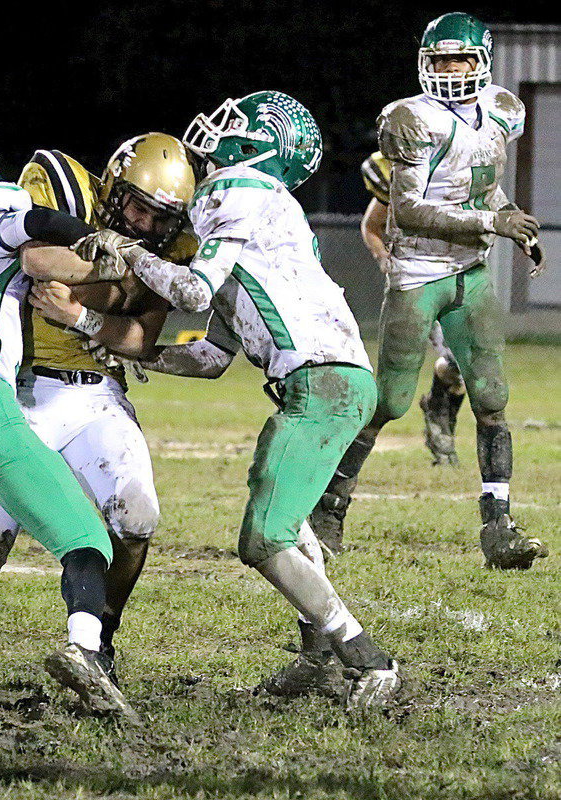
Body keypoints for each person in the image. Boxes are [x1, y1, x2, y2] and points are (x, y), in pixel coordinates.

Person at [67, 91, 402, 709]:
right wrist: (121, 346)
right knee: (289, 521)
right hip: (321, 383)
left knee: (263, 539)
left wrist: (132, 253)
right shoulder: (238, 229)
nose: (220, 128)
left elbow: (191, 291)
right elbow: (211, 356)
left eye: (240, 123)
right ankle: (319, 659)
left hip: (325, 383)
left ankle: (368, 661)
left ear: (262, 146)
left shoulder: (244, 190)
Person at [0, 133, 197, 696]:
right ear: (112, 188)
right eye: (138, 209)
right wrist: (125, 278)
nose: (148, 227)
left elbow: (140, 335)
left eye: (162, 220)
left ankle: (96, 647)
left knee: (137, 519)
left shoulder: (172, 245)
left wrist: (85, 313)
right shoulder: (62, 182)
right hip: (24, 392)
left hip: (97, 395)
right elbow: (37, 264)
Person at [309, 13, 549, 569]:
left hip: (472, 273)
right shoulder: (409, 119)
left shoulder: (500, 114)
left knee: (491, 397)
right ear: (425, 63)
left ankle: (500, 527)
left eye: (460, 59)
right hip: (418, 275)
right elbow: (410, 210)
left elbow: (484, 191)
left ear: (482, 62)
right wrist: (492, 225)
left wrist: (511, 219)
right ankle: (329, 508)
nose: (450, 69)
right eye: (440, 60)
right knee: (389, 400)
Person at [360, 151, 467, 469]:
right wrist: (383, 258)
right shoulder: (398, 187)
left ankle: (438, 412)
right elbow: (371, 227)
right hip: (414, 284)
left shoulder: (451, 183)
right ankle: (346, 458)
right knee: (393, 382)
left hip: (451, 277)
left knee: (459, 366)